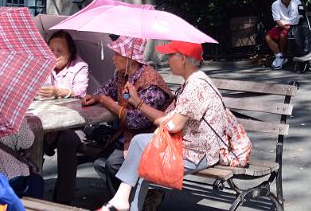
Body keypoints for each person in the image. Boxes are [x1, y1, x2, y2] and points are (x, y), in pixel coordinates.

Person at [97, 40, 241, 211]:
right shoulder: (192, 82)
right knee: (141, 153)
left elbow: (172, 126)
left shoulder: (196, 86)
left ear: (183, 59)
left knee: (141, 151)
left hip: (197, 154)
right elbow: (167, 118)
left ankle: (121, 200)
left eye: (171, 55)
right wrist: (136, 101)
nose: (167, 59)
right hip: (189, 146)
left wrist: (157, 122)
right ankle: (122, 201)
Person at [70, 37, 171, 201]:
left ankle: (129, 202)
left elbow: (135, 121)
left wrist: (107, 102)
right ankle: (138, 199)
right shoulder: (122, 75)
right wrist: (95, 97)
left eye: (117, 54)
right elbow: (105, 90)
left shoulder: (151, 82)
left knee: (112, 164)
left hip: (148, 137)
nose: (113, 58)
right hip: (126, 135)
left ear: (130, 58)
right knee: (100, 162)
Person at [37, 30, 89, 100]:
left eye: (59, 51)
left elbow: (80, 93)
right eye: (51, 50)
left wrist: (58, 92)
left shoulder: (80, 67)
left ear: (70, 52)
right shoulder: (43, 63)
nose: (54, 55)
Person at [266, 0, 300, 69]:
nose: (288, 0)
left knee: (283, 35)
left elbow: (299, 17)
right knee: (268, 37)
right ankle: (279, 56)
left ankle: (283, 55)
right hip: (281, 25)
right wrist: (285, 27)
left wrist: (290, 27)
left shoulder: (296, 2)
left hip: (293, 26)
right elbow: (277, 20)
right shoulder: (275, 4)